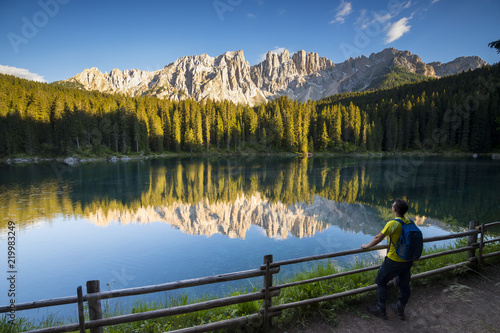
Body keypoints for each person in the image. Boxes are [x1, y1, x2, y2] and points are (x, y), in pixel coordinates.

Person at [361, 198, 414, 320]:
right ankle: (400, 308)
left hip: (394, 260)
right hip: (407, 260)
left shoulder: (393, 224)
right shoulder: (409, 222)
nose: (392, 206)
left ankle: (381, 308)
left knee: (381, 281)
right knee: (404, 285)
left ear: (394, 209)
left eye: (392, 205)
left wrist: (367, 246)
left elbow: (378, 238)